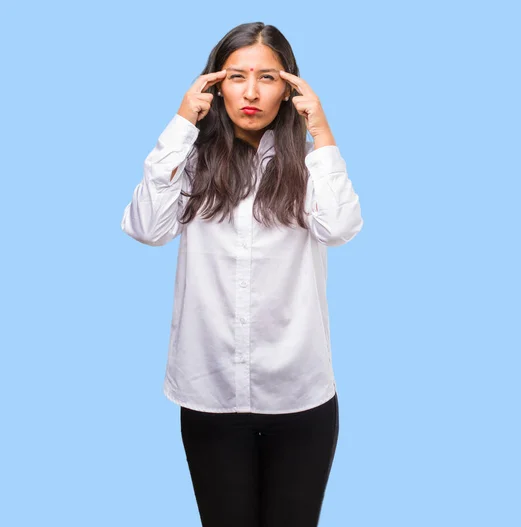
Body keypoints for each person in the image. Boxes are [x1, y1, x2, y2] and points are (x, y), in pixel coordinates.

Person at [120, 21, 363, 527]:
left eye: (267, 77)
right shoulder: (190, 162)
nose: (251, 91)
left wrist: (322, 131)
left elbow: (340, 228)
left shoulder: (310, 164)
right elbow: (146, 228)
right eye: (236, 76)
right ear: (214, 85)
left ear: (290, 88)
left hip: (299, 393)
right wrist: (182, 123)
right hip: (208, 392)